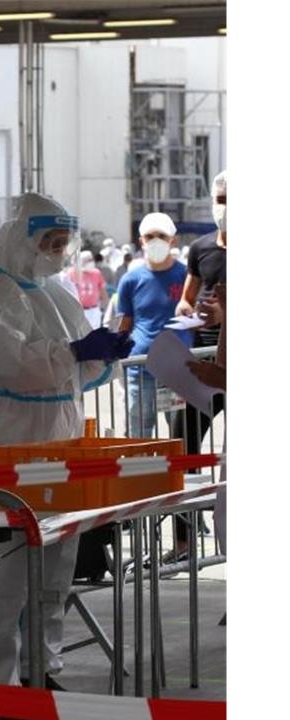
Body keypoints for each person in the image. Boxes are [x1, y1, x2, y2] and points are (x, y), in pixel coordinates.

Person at [0, 192, 132, 701]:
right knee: (5, 574)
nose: (56, 251)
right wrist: (74, 351)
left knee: (54, 569)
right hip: (6, 439)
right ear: (22, 238)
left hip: (60, 436)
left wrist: (103, 353)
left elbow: (77, 366)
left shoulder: (57, 294)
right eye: (49, 242)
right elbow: (2, 358)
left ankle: (41, 668)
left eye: (62, 243)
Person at [172, 169, 227, 561]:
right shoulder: (202, 247)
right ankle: (184, 541)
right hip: (202, 361)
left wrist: (227, 316)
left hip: (232, 361)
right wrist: (192, 312)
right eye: (220, 200)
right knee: (182, 445)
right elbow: (186, 299)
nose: (224, 209)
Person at [116, 212, 191, 438]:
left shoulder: (187, 276)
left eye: (162, 235)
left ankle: (177, 475)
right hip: (140, 369)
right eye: (150, 236)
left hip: (177, 369)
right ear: (141, 241)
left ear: (173, 240)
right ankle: (142, 473)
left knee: (180, 435)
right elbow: (124, 324)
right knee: (139, 435)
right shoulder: (130, 280)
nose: (155, 241)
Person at [67, 250, 109, 328]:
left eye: (91, 259)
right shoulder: (73, 273)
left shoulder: (97, 273)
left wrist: (107, 307)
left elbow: (103, 291)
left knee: (95, 336)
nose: (91, 262)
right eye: (88, 260)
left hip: (94, 310)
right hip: (80, 311)